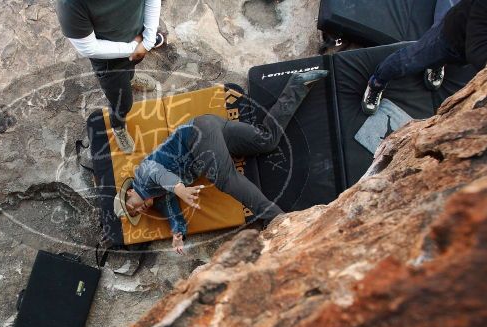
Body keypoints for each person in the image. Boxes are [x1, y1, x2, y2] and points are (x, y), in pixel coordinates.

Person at [114, 69, 329, 255]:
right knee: (266, 140)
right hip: (210, 128)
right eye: (136, 214)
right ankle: (298, 85)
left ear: (130, 192)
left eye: (133, 207)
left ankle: (279, 221)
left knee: (226, 180)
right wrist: (177, 234)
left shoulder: (142, 175)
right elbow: (173, 214)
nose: (140, 210)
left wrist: (179, 188)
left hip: (197, 138)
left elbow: (157, 172)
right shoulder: (159, 198)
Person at [362, 0, 487, 115]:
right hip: (450, 37)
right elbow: (480, 46)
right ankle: (377, 81)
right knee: (407, 61)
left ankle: (437, 63)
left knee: (449, 59)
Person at [57, 0, 165, 154]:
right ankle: (118, 127)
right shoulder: (70, 4)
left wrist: (147, 40)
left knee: (130, 69)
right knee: (123, 104)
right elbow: (89, 48)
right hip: (110, 63)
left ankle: (130, 78)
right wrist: (135, 48)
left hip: (137, 40)